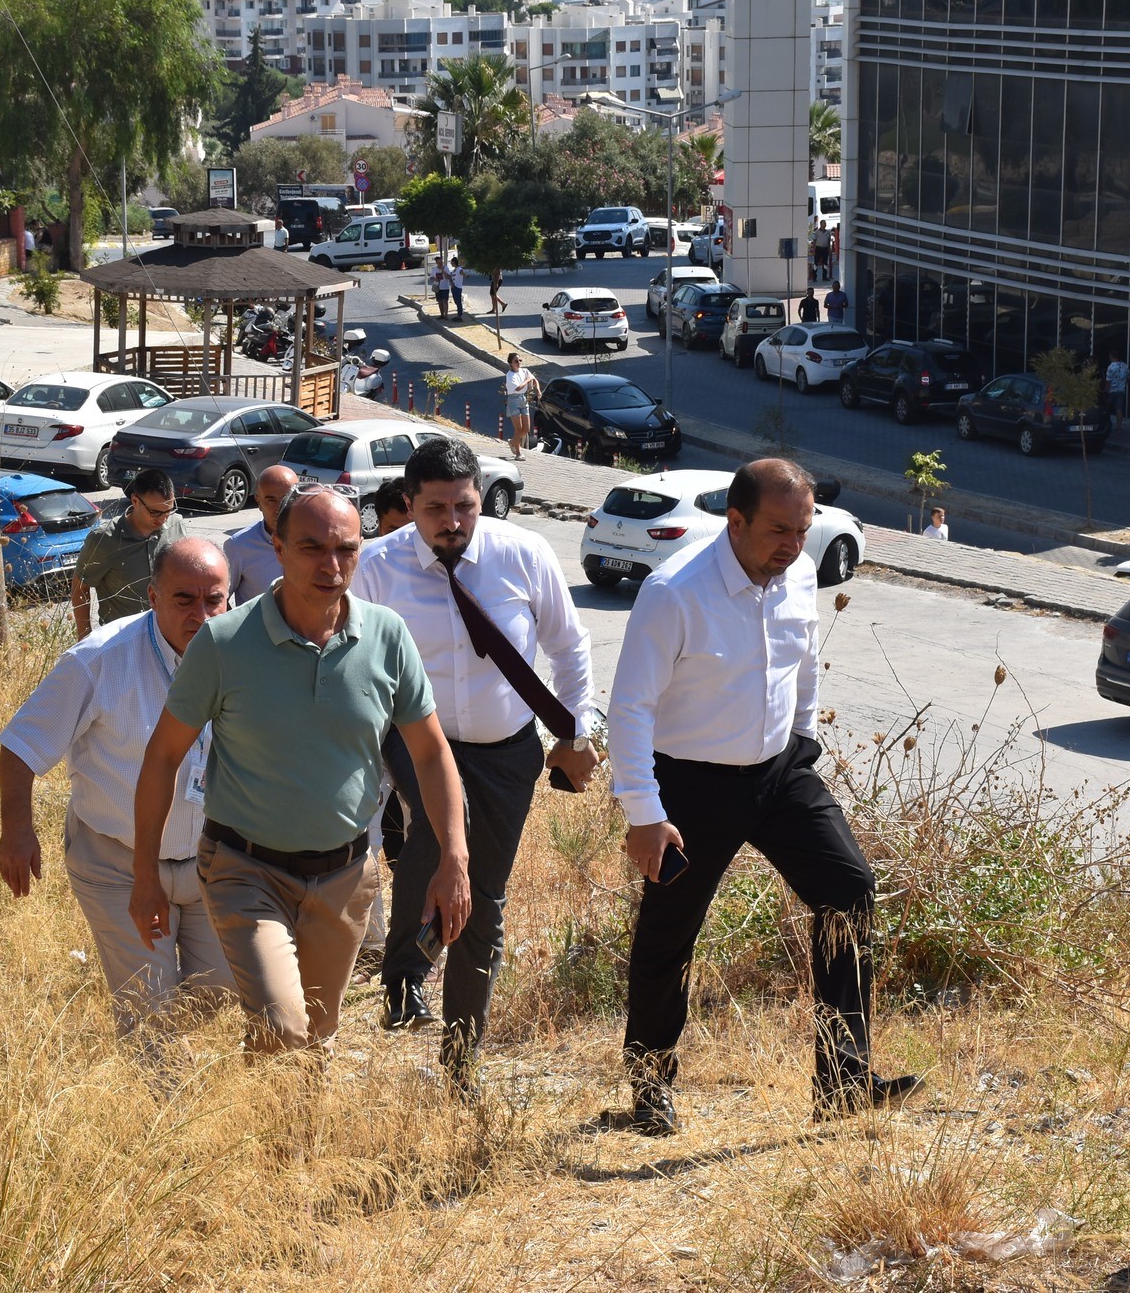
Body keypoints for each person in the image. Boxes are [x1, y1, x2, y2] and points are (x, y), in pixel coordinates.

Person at [605, 458, 921, 1135]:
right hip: (688, 784)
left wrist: (803, 737)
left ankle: (843, 1077)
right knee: (670, 933)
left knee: (849, 887)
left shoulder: (799, 574)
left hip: (779, 773)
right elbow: (629, 707)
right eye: (779, 529)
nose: (793, 544)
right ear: (736, 520)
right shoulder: (675, 592)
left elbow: (804, 659)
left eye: (803, 529)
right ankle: (650, 1081)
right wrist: (644, 813)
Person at [131, 486, 472, 1054]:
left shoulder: (387, 637)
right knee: (282, 1028)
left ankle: (293, 1142)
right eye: (312, 547)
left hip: (344, 875)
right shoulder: (223, 643)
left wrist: (454, 859)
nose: (331, 566)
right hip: (246, 870)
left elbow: (432, 753)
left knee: (317, 1039)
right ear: (277, 546)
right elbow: (163, 756)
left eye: (345, 549)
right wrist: (145, 875)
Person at [354, 439, 601, 1085]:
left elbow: (570, 647)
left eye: (464, 506)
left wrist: (577, 731)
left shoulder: (524, 554)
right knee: (441, 832)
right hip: (413, 740)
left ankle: (462, 1055)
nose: (453, 521)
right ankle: (405, 977)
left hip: (507, 751)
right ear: (409, 505)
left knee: (483, 898)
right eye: (436, 508)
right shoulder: (378, 566)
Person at [0, 539, 232, 1019]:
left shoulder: (242, 657)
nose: (202, 616)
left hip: (210, 862)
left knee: (219, 999)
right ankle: (152, 1094)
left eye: (214, 600)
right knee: (149, 1009)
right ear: (152, 596)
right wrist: (18, 832)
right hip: (118, 863)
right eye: (184, 600)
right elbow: (21, 745)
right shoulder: (100, 659)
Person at [71, 468, 185, 636]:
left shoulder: (177, 525)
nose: (163, 519)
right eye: (155, 512)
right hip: (122, 640)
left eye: (168, 510)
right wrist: (84, 637)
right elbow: (79, 588)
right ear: (135, 501)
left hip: (170, 636)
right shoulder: (104, 539)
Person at [224, 464, 299, 604]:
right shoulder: (239, 546)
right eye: (271, 500)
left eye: (286, 499)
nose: (279, 508)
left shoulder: (316, 541)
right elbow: (219, 599)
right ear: (258, 501)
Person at [502, 353, 536, 459]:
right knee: (518, 429)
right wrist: (528, 379)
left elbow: (533, 380)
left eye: (520, 360)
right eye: (516, 361)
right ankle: (518, 453)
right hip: (513, 400)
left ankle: (512, 441)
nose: (519, 363)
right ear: (511, 363)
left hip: (523, 399)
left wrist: (537, 388)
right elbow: (518, 388)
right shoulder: (510, 375)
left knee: (526, 429)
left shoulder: (524, 371)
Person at [1105, 349, 1130, 421]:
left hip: (1112, 391)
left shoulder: (1111, 367)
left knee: (1106, 407)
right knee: (1119, 409)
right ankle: (1119, 428)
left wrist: (1106, 390)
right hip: (1121, 391)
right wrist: (1124, 383)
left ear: (1112, 356)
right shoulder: (1125, 366)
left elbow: (1108, 380)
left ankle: (1106, 423)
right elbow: (1129, 377)